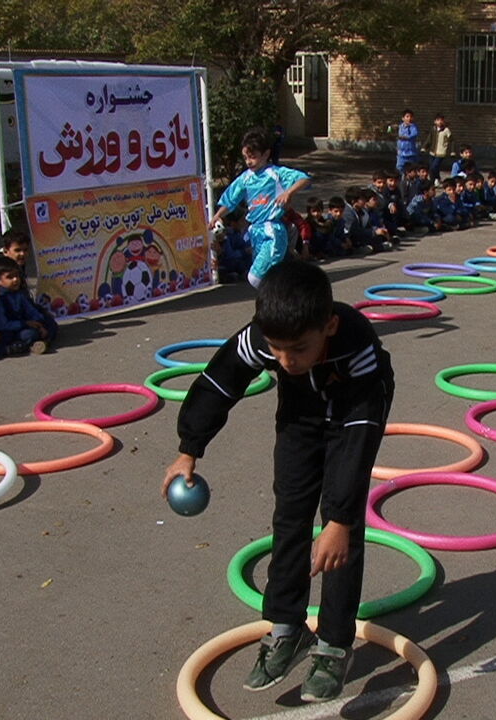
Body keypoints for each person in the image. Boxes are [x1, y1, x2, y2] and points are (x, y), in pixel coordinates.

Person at [161, 261, 394, 704]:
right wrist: (189, 447)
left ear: (329, 326)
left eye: (298, 349)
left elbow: (360, 432)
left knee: (339, 532)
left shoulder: (356, 346)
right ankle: (287, 626)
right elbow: (219, 383)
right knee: (289, 512)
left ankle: (334, 643)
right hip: (300, 414)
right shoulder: (263, 341)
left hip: (353, 411)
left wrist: (341, 518)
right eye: (276, 350)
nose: (284, 361)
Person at [210, 129, 311, 287]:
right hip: (255, 232)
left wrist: (288, 192)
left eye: (253, 157)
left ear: (265, 154)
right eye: (245, 158)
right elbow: (231, 199)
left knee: (255, 278)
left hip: (272, 230)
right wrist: (218, 215)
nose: (249, 161)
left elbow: (304, 179)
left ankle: (281, 300)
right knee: (271, 276)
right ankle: (288, 298)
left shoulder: (275, 173)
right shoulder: (246, 178)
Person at [1, 230, 59, 344]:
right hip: (10, 320)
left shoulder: (20, 267)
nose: (22, 254)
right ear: (5, 251)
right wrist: (26, 322)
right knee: (29, 334)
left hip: (24, 312)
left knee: (50, 322)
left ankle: (44, 341)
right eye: (17, 250)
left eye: (25, 250)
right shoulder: (0, 272)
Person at [0, 257, 50, 353]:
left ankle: (41, 342)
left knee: (49, 322)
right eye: (10, 277)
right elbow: (2, 324)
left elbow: (31, 311)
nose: (15, 280)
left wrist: (39, 324)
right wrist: (25, 324)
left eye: (17, 276)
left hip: (22, 325)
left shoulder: (19, 294)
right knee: (27, 334)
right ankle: (18, 347)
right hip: (7, 330)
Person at [423, 114, 453, 180]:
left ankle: (433, 181)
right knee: (432, 167)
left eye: (441, 120)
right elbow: (429, 139)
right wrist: (424, 147)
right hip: (432, 152)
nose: (440, 122)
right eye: (438, 120)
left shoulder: (446, 130)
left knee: (434, 167)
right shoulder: (433, 129)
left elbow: (452, 141)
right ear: (435, 121)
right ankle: (436, 179)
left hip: (441, 153)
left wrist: (452, 151)